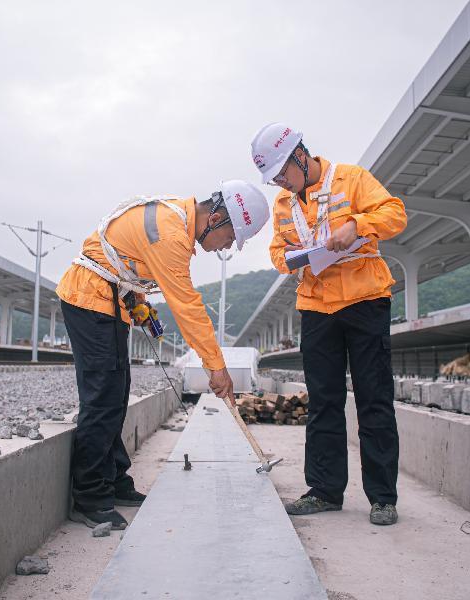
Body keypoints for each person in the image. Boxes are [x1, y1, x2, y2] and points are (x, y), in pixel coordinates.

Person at [56, 181, 269, 529]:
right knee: (102, 398)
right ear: (215, 218)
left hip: (109, 300)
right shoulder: (171, 235)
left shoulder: (175, 219)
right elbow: (188, 307)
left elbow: (126, 257)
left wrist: (137, 301)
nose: (226, 246)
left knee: (116, 392)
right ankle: (90, 496)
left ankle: (115, 482)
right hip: (89, 298)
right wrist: (217, 368)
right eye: (230, 238)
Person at [251, 122, 407, 525]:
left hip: (365, 299)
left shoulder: (352, 179)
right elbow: (276, 253)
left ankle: (382, 498)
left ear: (300, 156)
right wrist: (293, 256)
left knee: (374, 398)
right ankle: (324, 490)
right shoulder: (285, 205)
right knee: (323, 402)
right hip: (316, 306)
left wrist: (356, 224)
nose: (281, 184)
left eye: (283, 173)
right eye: (275, 180)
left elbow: (394, 213)